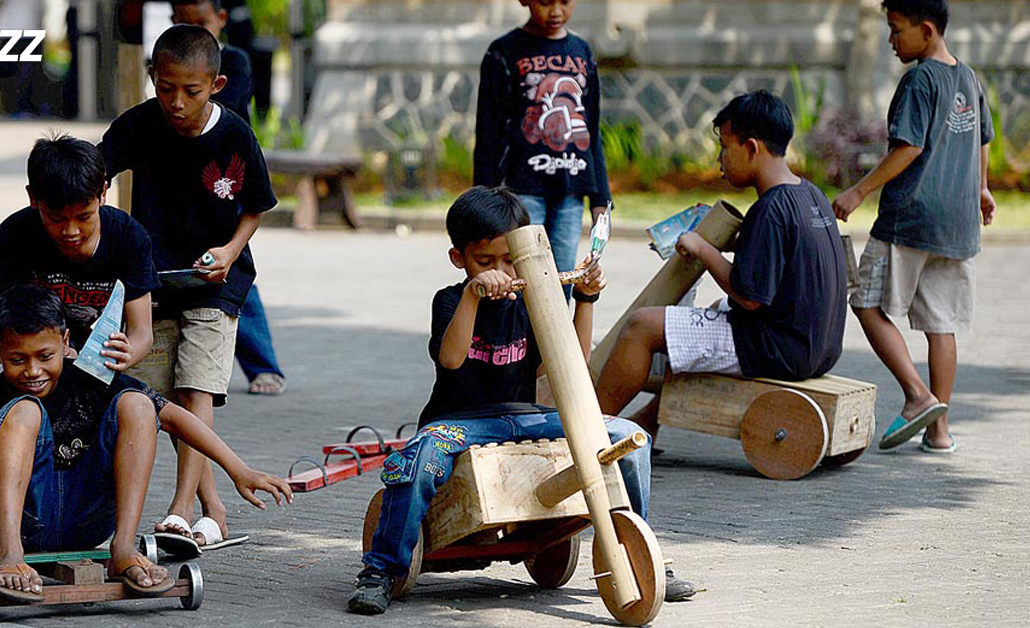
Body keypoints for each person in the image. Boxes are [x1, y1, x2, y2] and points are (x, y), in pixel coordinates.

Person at [346, 187, 695, 615]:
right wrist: (474, 294)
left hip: (524, 418)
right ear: (460, 259)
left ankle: (638, 552)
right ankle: (380, 569)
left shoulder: (534, 300)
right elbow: (452, 359)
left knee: (629, 438)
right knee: (420, 457)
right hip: (460, 421)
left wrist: (585, 298)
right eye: (485, 261)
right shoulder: (451, 300)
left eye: (510, 259)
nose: (501, 272)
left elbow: (571, 362)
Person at [0, 286, 291, 600]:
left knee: (139, 404)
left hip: (91, 518)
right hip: (29, 517)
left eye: (44, 356)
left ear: (66, 343)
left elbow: (176, 417)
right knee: (24, 409)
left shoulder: (91, 378)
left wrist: (240, 470)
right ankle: (9, 553)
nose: (32, 370)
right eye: (15, 359)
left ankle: (123, 549)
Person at [99, 24, 277, 549]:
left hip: (215, 283)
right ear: (153, 77)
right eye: (166, 87)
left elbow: (256, 206)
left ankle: (179, 508)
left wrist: (230, 250)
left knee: (196, 387)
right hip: (151, 284)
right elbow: (95, 172)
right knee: (161, 399)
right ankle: (214, 508)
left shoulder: (236, 135)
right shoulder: (138, 125)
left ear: (217, 84)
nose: (176, 102)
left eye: (191, 91)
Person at [595, 91, 848, 444]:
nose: (719, 160)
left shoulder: (770, 209)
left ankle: (587, 432)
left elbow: (749, 298)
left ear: (752, 148)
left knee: (643, 325)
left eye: (725, 148)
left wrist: (703, 248)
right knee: (699, 322)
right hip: (820, 348)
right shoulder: (809, 195)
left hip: (778, 349)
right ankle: (646, 424)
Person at [832, 0, 993, 454]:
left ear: (926, 30)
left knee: (864, 301)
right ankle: (939, 431)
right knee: (941, 324)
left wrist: (858, 192)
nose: (891, 40)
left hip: (912, 218)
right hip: (958, 224)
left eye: (896, 30)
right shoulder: (969, 76)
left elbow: (909, 148)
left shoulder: (919, 79)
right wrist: (981, 189)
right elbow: (982, 137)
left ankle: (918, 396)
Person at [0, 133, 158, 412]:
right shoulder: (14, 236)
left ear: (103, 194)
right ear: (33, 199)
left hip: (97, 368)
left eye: (84, 217)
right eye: (56, 219)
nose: (71, 231)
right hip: (36, 365)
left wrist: (126, 354)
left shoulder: (128, 237)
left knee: (138, 411)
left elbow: (142, 330)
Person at [170, 0, 289, 396]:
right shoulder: (168, 62)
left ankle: (263, 366)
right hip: (182, 189)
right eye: (185, 24)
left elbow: (226, 111)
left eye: (202, 23)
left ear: (220, 20)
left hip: (227, 180)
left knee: (231, 270)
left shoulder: (232, 61)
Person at [473, 0, 611, 292]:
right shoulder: (503, 52)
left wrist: (600, 199)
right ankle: (516, 340)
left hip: (570, 190)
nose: (556, 11)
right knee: (523, 281)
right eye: (546, 2)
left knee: (561, 282)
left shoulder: (583, 53)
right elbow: (488, 131)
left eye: (565, 1)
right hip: (521, 191)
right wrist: (481, 199)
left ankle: (556, 340)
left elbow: (592, 128)